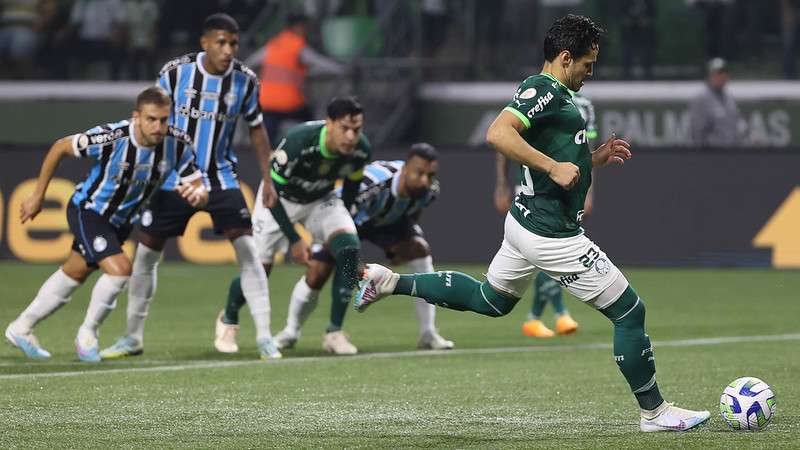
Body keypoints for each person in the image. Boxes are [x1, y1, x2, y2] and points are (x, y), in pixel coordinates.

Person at [354, 15, 711, 432]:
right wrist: (552, 165)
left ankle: (389, 281)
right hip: (551, 233)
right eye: (587, 64)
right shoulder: (544, 89)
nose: (589, 73)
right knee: (630, 312)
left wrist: (592, 158)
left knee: (492, 300)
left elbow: (554, 151)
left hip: (523, 223)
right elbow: (498, 133)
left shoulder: (549, 92)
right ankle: (655, 412)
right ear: (564, 58)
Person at [99, 13, 281, 361]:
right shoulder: (174, 72)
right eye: (221, 42)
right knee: (147, 254)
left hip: (220, 177)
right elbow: (150, 123)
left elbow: (257, 129)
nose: (228, 50)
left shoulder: (245, 80)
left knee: (249, 252)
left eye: (233, 43)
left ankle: (264, 338)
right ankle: (131, 337)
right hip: (171, 179)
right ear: (205, 42)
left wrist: (267, 179)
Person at [4, 86, 206, 361]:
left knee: (74, 272)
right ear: (137, 117)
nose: (158, 127)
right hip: (89, 210)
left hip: (121, 221)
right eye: (151, 119)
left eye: (163, 119)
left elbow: (198, 188)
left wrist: (198, 196)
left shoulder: (178, 143)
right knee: (120, 270)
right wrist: (38, 195)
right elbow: (59, 147)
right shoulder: (112, 137)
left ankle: (21, 327)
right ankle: (88, 334)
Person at [214, 96, 369, 356]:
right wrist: (295, 240)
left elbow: (351, 188)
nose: (352, 136)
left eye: (357, 129)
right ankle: (228, 319)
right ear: (329, 124)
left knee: (349, 250)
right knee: (259, 268)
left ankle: (334, 332)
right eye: (345, 128)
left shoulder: (361, 149)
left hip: (320, 199)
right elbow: (272, 193)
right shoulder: (299, 141)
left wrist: (342, 228)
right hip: (278, 200)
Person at [265, 144, 453, 354]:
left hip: (384, 222)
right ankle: (292, 332)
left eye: (431, 174)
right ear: (406, 168)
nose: (425, 180)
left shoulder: (429, 190)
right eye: (420, 173)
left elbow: (412, 213)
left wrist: (398, 248)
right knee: (319, 272)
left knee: (419, 249)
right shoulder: (373, 183)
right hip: (340, 215)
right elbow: (340, 210)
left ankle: (428, 333)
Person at [494, 91, 598, 338]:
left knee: (547, 255)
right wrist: (501, 183)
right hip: (535, 186)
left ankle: (537, 318)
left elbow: (588, 148)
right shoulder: (538, 96)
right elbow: (505, 141)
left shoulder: (585, 106)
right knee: (544, 252)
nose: (585, 72)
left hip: (568, 190)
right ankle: (559, 314)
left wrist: (590, 190)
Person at [246, 12, 345, 142]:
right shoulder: (298, 47)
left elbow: (251, 62)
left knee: (269, 138)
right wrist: (341, 69)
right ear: (299, 27)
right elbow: (319, 62)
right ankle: (313, 147)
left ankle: (270, 157)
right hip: (289, 102)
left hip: (266, 101)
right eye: (305, 27)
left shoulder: (273, 45)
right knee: (311, 125)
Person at [688, 57, 745, 148]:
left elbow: (737, 125)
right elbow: (697, 134)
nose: (721, 77)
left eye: (723, 73)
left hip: (732, 154)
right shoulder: (701, 99)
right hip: (711, 156)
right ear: (708, 76)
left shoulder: (729, 98)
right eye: (716, 74)